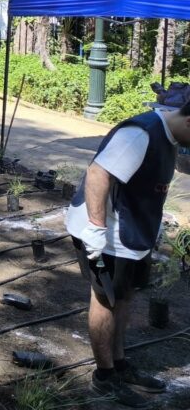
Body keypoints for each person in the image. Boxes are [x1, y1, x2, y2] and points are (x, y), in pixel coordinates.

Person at [65, 101, 190, 407]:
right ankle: (104, 377)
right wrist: (96, 228)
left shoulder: (169, 137)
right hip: (106, 236)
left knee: (126, 296)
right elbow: (97, 174)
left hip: (133, 235)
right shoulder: (141, 133)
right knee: (106, 300)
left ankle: (119, 364)